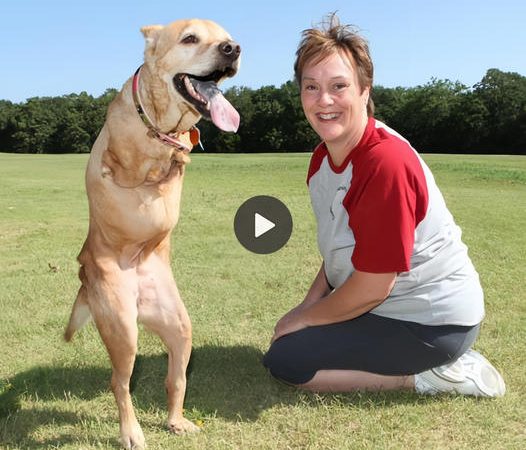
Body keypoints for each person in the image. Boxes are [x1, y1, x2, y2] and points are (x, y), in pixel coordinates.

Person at [263, 13, 505, 397]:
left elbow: (374, 286)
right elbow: (340, 252)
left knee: (287, 361)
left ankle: (436, 377)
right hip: (386, 308)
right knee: (288, 343)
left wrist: (306, 319)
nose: (323, 100)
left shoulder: (385, 163)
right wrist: (303, 310)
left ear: (364, 90)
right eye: (311, 87)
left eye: (338, 86)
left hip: (432, 323)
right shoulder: (322, 161)